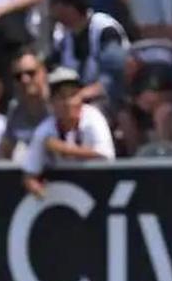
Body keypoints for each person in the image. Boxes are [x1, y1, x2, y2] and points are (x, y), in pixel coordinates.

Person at [22, 67, 115, 197]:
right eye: (61, 97)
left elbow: (106, 155)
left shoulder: (93, 118)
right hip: (64, 196)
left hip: (99, 189)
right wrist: (37, 189)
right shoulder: (44, 130)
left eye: (73, 95)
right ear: (51, 102)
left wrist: (64, 149)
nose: (68, 103)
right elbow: (30, 173)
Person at [49, 0, 128, 107]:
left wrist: (79, 96)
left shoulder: (105, 29)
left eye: (55, 3)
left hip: (110, 101)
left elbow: (113, 78)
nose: (51, 8)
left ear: (70, 7)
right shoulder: (63, 37)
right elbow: (53, 69)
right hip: (76, 102)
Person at [0, 47, 50, 158]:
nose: (25, 80)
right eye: (18, 76)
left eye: (31, 73)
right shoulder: (14, 110)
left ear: (44, 72)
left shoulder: (58, 105)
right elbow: (4, 152)